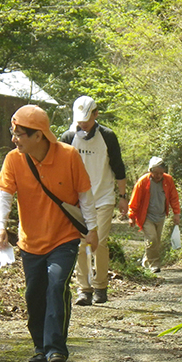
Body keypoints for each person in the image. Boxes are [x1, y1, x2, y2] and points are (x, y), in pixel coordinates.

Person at [0, 105, 98, 362]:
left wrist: (93, 229)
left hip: (64, 237)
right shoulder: (14, 159)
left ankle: (55, 350)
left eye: (19, 134)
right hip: (31, 241)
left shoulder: (69, 155)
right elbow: (4, 195)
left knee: (56, 285)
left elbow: (85, 194)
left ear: (38, 136)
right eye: (12, 133)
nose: (14, 139)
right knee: (34, 294)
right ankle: (40, 348)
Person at [61, 96, 128, 306]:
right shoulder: (68, 137)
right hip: (77, 201)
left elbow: (119, 168)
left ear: (96, 114)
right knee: (80, 245)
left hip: (103, 197)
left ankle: (101, 286)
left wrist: (123, 197)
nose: (83, 124)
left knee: (99, 242)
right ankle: (84, 289)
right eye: (80, 120)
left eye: (87, 120)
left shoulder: (107, 136)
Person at [127, 157, 181, 273]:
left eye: (161, 173)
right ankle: (154, 264)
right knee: (152, 239)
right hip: (146, 216)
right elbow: (134, 200)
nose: (158, 175)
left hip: (160, 216)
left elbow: (173, 197)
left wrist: (176, 213)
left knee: (156, 241)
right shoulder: (143, 182)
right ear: (150, 171)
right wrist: (131, 216)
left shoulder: (168, 180)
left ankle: (146, 261)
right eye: (155, 173)